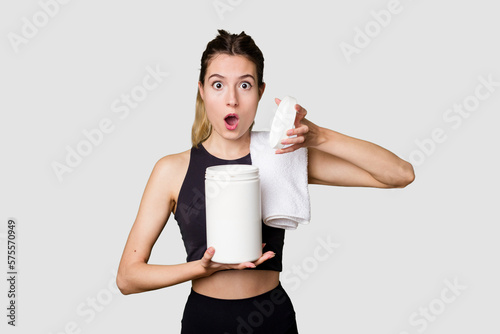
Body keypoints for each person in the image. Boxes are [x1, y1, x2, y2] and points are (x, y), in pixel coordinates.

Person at [116, 29, 415, 333]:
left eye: (244, 85)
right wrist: (202, 268)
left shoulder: (281, 156)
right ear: (202, 91)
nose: (231, 100)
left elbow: (399, 174)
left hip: (271, 318)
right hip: (205, 320)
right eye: (218, 85)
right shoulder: (172, 169)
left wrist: (320, 136)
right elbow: (128, 277)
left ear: (260, 92)